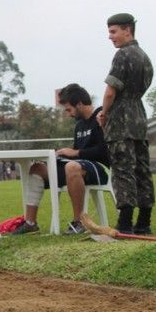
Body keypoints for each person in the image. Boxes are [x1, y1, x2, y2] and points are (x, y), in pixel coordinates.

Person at [12, 84, 110, 235]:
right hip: (78, 166)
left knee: (72, 166)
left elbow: (104, 151)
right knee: (37, 168)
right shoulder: (78, 126)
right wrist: (61, 154)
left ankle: (79, 222)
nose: (68, 114)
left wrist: (75, 153)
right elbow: (77, 154)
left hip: (99, 167)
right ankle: (30, 223)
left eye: (69, 109)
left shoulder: (101, 116)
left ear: (79, 104)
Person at [97, 13, 155, 235]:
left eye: (113, 31)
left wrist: (104, 112)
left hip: (121, 119)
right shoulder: (144, 57)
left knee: (122, 170)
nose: (110, 37)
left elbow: (111, 91)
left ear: (127, 30)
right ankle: (144, 221)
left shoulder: (122, 56)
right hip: (139, 117)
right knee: (142, 171)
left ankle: (125, 222)